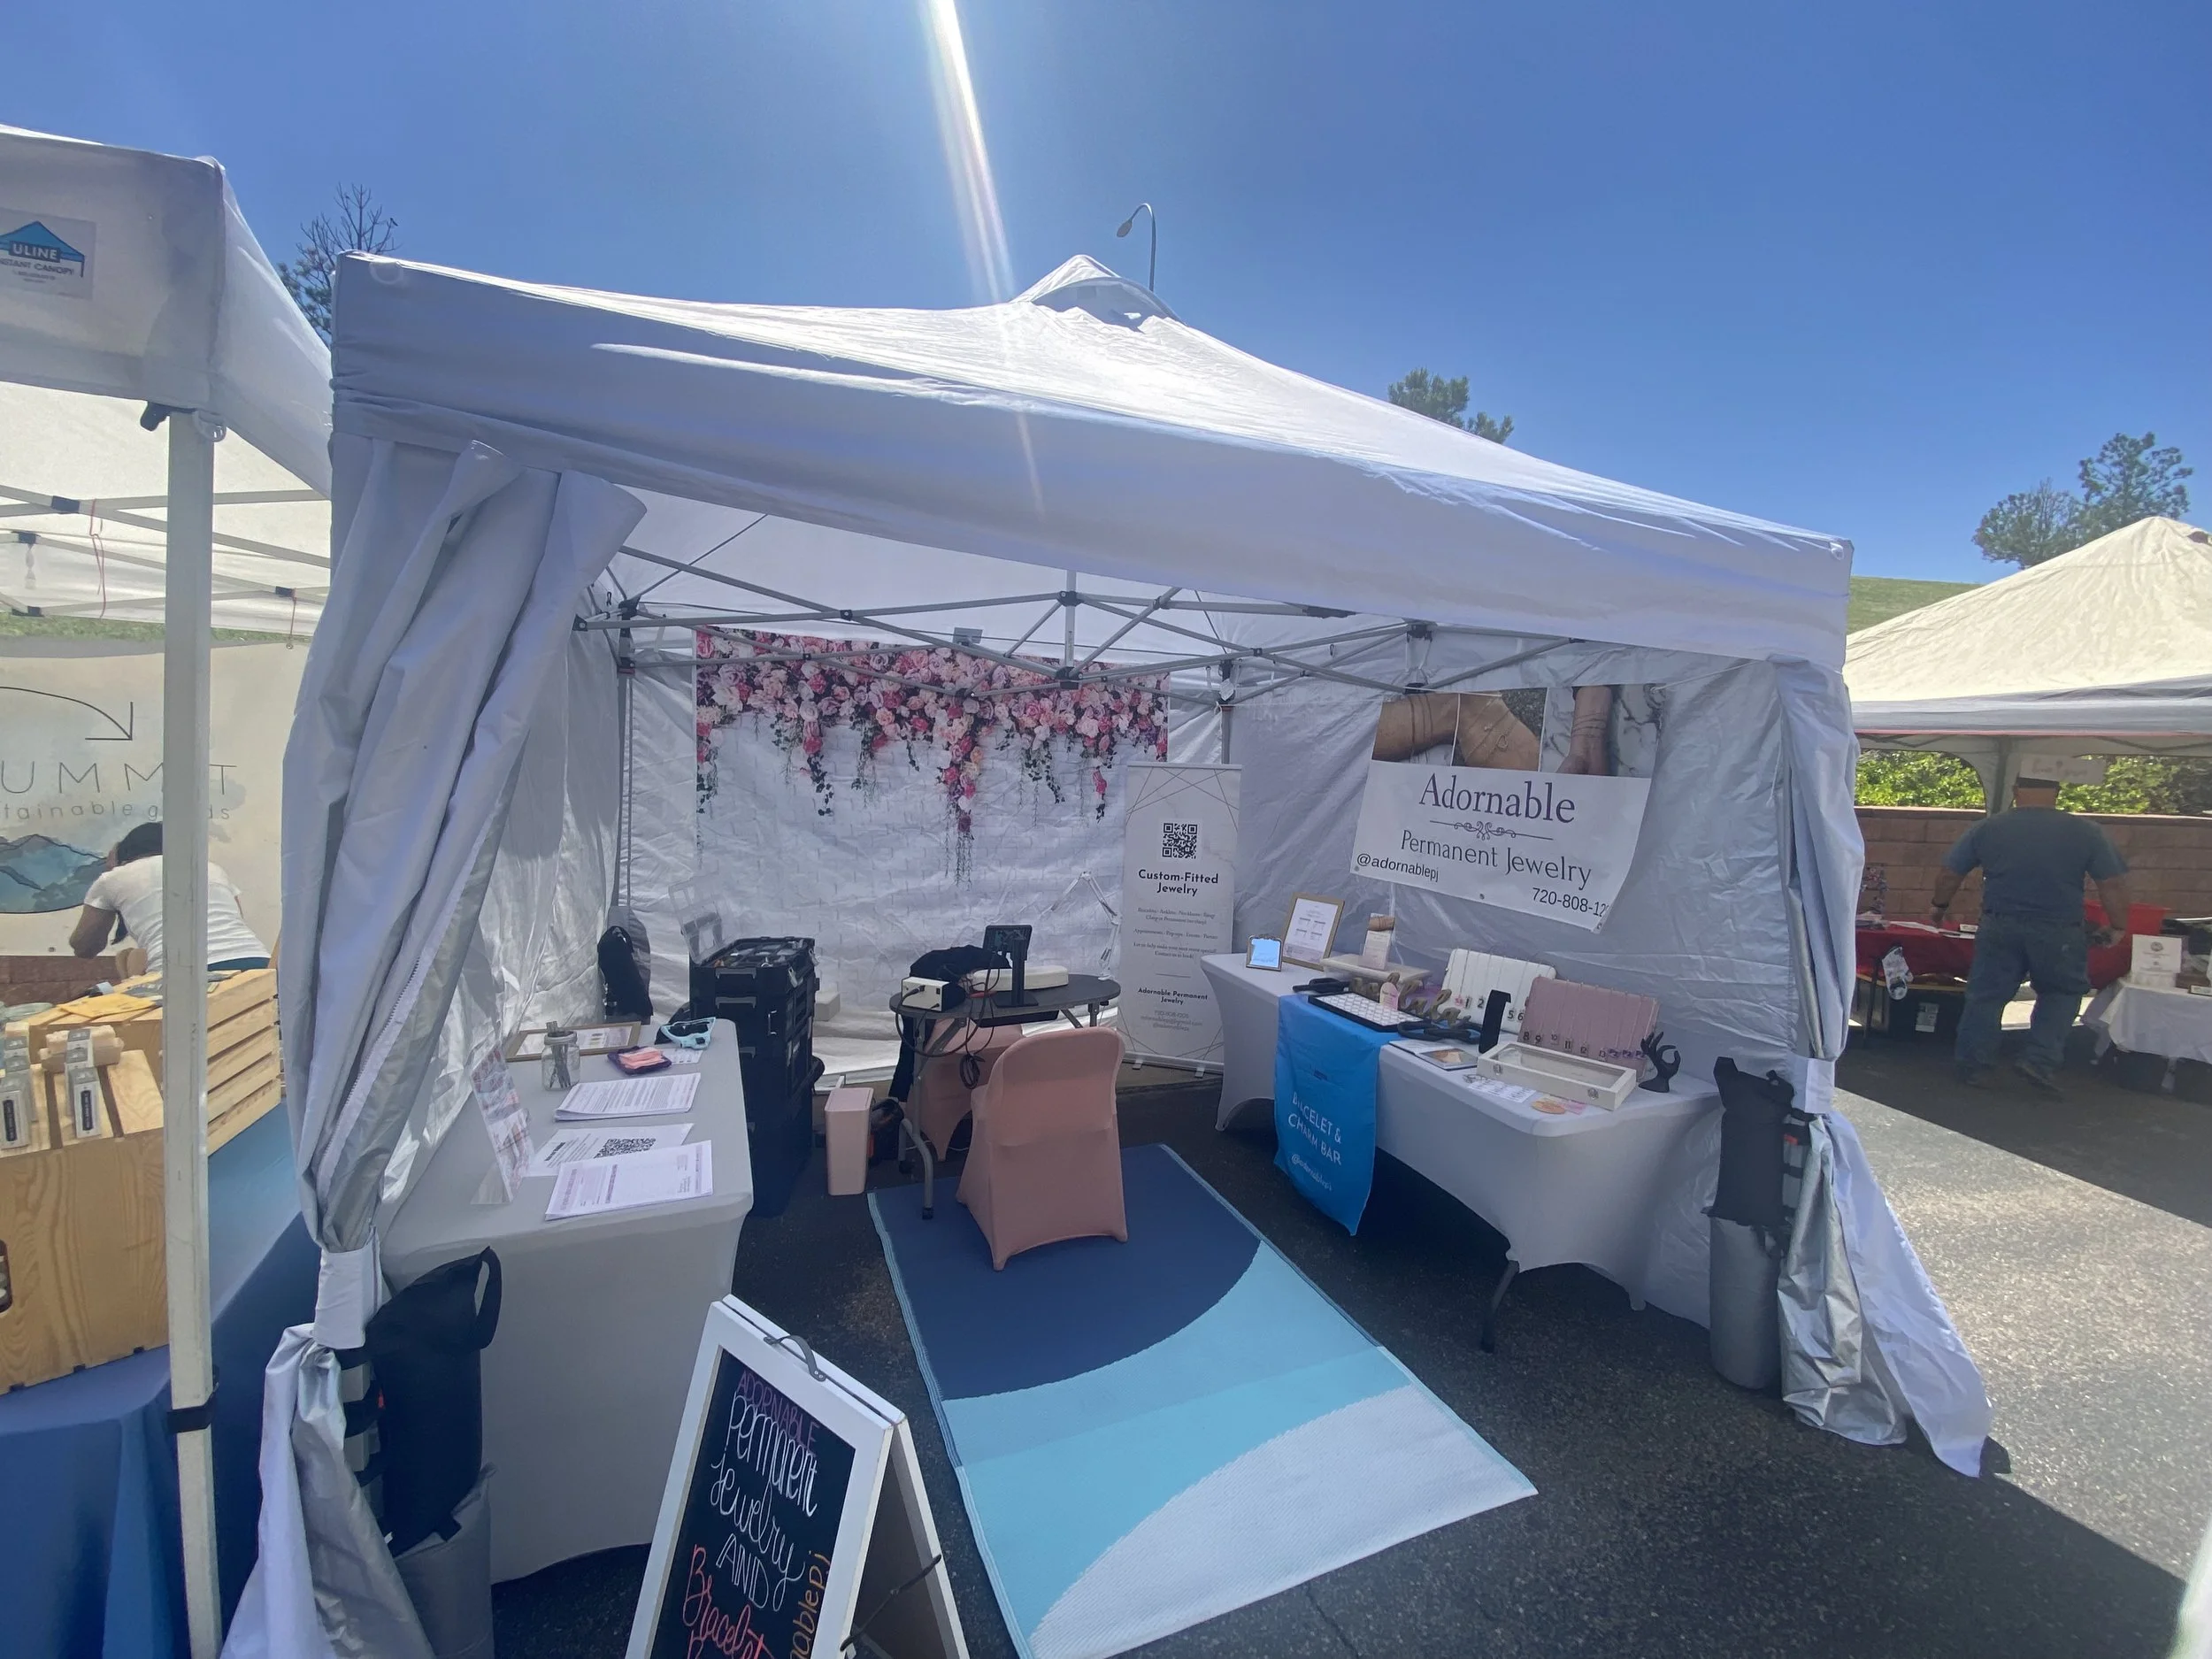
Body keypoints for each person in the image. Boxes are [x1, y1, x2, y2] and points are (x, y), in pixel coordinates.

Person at [1928, 777, 2132, 1095]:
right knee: (2060, 993)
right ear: (2057, 793)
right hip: (2059, 928)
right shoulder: (2085, 831)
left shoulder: (1988, 828)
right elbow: (2113, 883)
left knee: (1986, 996)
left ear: (2015, 792)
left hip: (2000, 923)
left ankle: (1974, 1065)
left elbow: (1949, 872)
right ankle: (2038, 1061)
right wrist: (2118, 925)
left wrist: (1939, 907)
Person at [68, 821, 271, 974]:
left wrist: (112, 873)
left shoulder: (113, 878)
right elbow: (235, 921)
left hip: (182, 975)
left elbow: (85, 946)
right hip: (257, 964)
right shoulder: (211, 868)